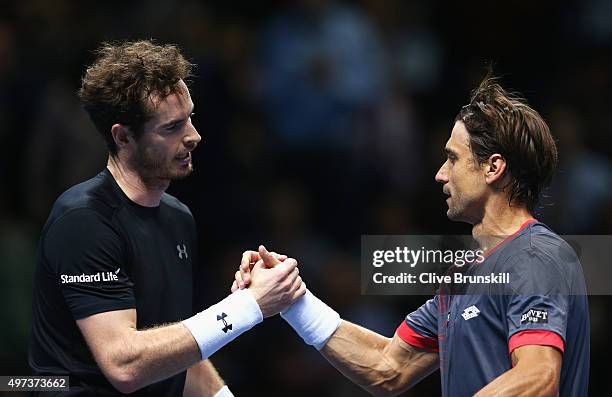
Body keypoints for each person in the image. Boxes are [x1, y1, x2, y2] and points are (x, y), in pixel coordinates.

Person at [233, 76, 590, 396]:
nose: (439, 174)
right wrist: (291, 299)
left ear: (493, 168)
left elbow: (539, 378)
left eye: (452, 159)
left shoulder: (536, 256)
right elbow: (388, 367)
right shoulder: (462, 276)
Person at [28, 40, 306, 397]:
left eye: (190, 117)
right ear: (123, 136)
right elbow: (124, 364)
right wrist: (248, 306)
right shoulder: (82, 221)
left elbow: (175, 350)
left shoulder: (178, 218)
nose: (194, 135)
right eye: (172, 127)